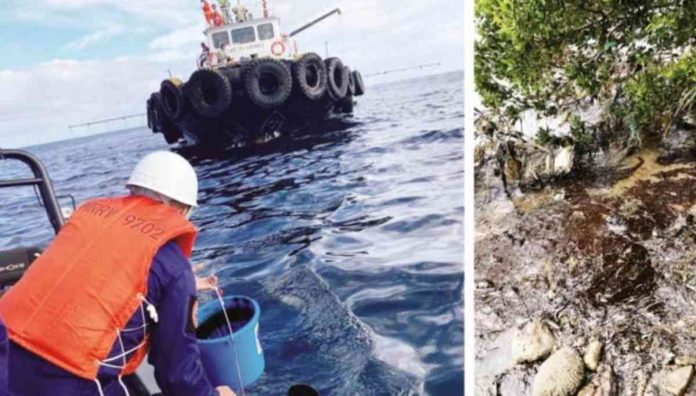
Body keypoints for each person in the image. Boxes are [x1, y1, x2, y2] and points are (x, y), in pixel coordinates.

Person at [0, 151, 236, 396]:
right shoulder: (173, 266)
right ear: (183, 208)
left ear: (133, 189)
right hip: (71, 381)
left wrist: (180, 285)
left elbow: (97, 274)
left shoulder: (89, 217)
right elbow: (177, 375)